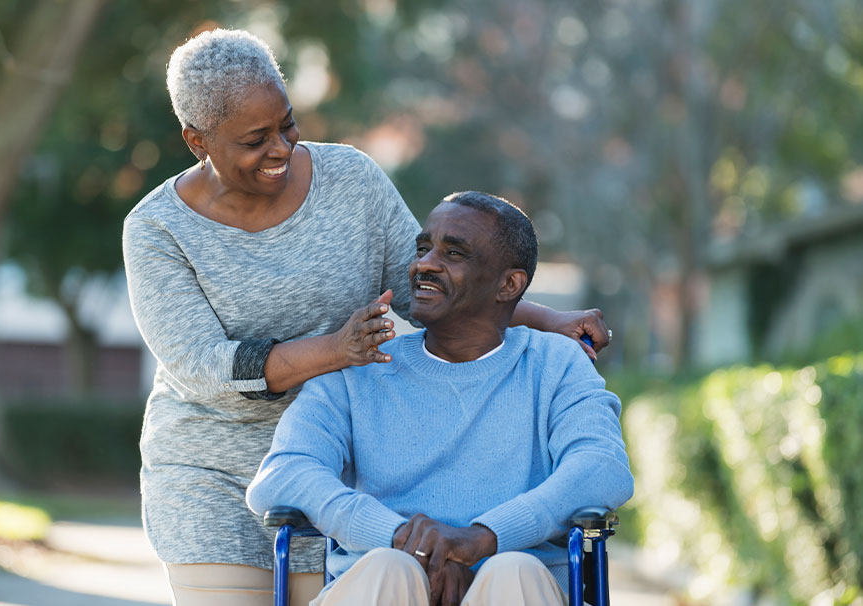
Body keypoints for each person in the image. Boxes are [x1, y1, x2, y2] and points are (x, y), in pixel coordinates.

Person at [123, 28, 611, 606]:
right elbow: (201, 366)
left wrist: (544, 319)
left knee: (389, 577)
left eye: (287, 124)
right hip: (216, 473)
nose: (280, 148)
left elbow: (431, 283)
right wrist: (337, 352)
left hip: (359, 468)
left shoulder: (349, 179)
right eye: (256, 139)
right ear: (196, 139)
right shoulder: (156, 229)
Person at [246, 191, 633, 606]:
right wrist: (400, 540)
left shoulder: (557, 365)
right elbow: (283, 473)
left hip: (515, 588)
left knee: (513, 568)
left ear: (509, 284)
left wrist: (486, 538)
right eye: (424, 248)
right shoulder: (362, 365)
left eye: (454, 253)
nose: (424, 264)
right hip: (385, 586)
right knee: (389, 567)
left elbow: (602, 467)